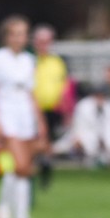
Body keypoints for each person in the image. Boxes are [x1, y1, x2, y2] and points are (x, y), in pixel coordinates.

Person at [0, 15, 48, 218]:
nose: (21, 38)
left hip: (24, 115)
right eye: (16, 34)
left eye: (23, 34)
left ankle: (15, 211)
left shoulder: (29, 60)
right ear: (7, 37)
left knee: (24, 167)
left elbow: (31, 93)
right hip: (6, 113)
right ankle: (9, 209)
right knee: (19, 164)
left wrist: (40, 120)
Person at [31, 23, 72, 189]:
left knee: (46, 141)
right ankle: (35, 168)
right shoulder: (29, 60)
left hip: (51, 109)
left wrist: (65, 108)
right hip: (32, 109)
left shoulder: (57, 62)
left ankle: (43, 168)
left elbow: (65, 87)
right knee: (36, 141)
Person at [51, 83, 110, 167]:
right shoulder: (83, 105)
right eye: (97, 95)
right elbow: (78, 127)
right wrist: (80, 140)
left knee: (108, 153)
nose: (99, 98)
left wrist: (107, 142)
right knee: (59, 148)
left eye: (102, 95)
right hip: (86, 138)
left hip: (106, 141)